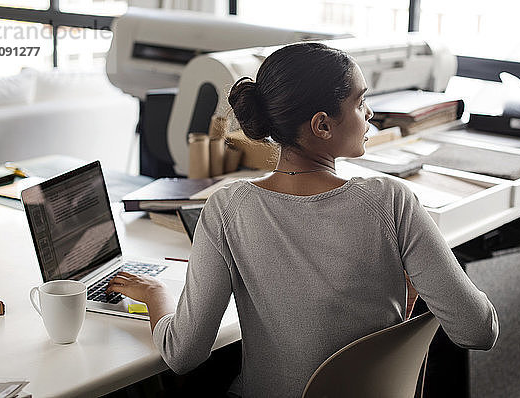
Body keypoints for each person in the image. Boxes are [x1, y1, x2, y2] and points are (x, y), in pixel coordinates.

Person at [107, 42, 499, 398]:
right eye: (361, 102)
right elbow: (479, 331)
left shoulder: (227, 209)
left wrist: (157, 295)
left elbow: (182, 355)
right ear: (322, 125)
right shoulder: (392, 202)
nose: (370, 113)